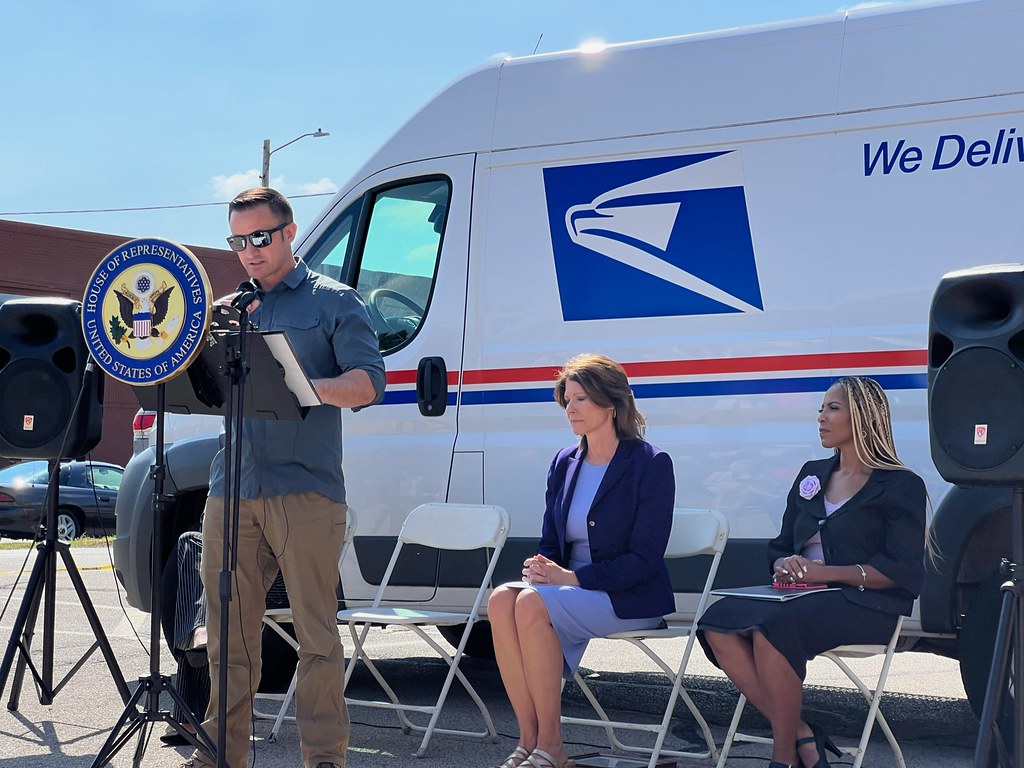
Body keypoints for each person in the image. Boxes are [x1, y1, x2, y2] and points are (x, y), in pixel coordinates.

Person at [180, 187, 385, 768]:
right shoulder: (226, 310)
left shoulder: (333, 301)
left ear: (289, 233)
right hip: (233, 487)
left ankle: (323, 757)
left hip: (306, 487)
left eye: (260, 237)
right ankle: (223, 753)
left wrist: (306, 387)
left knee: (316, 636)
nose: (249, 251)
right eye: (238, 241)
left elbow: (370, 382)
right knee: (227, 636)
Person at [697, 376, 926, 768]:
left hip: (866, 604)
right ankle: (802, 732)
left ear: (864, 417)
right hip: (802, 594)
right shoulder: (812, 474)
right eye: (821, 408)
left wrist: (825, 573)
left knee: (775, 626)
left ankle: (783, 756)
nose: (821, 417)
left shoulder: (900, 485)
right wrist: (783, 563)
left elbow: (901, 570)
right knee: (718, 620)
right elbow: (783, 543)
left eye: (832, 408)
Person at [487, 354, 676, 768]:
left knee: (529, 603)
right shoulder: (564, 461)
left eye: (581, 399)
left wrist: (568, 577)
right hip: (569, 588)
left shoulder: (651, 464)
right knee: (502, 599)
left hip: (628, 596)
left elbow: (644, 560)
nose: (570, 408)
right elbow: (551, 541)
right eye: (566, 399)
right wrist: (542, 569)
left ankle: (552, 746)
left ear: (611, 404)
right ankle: (528, 740)